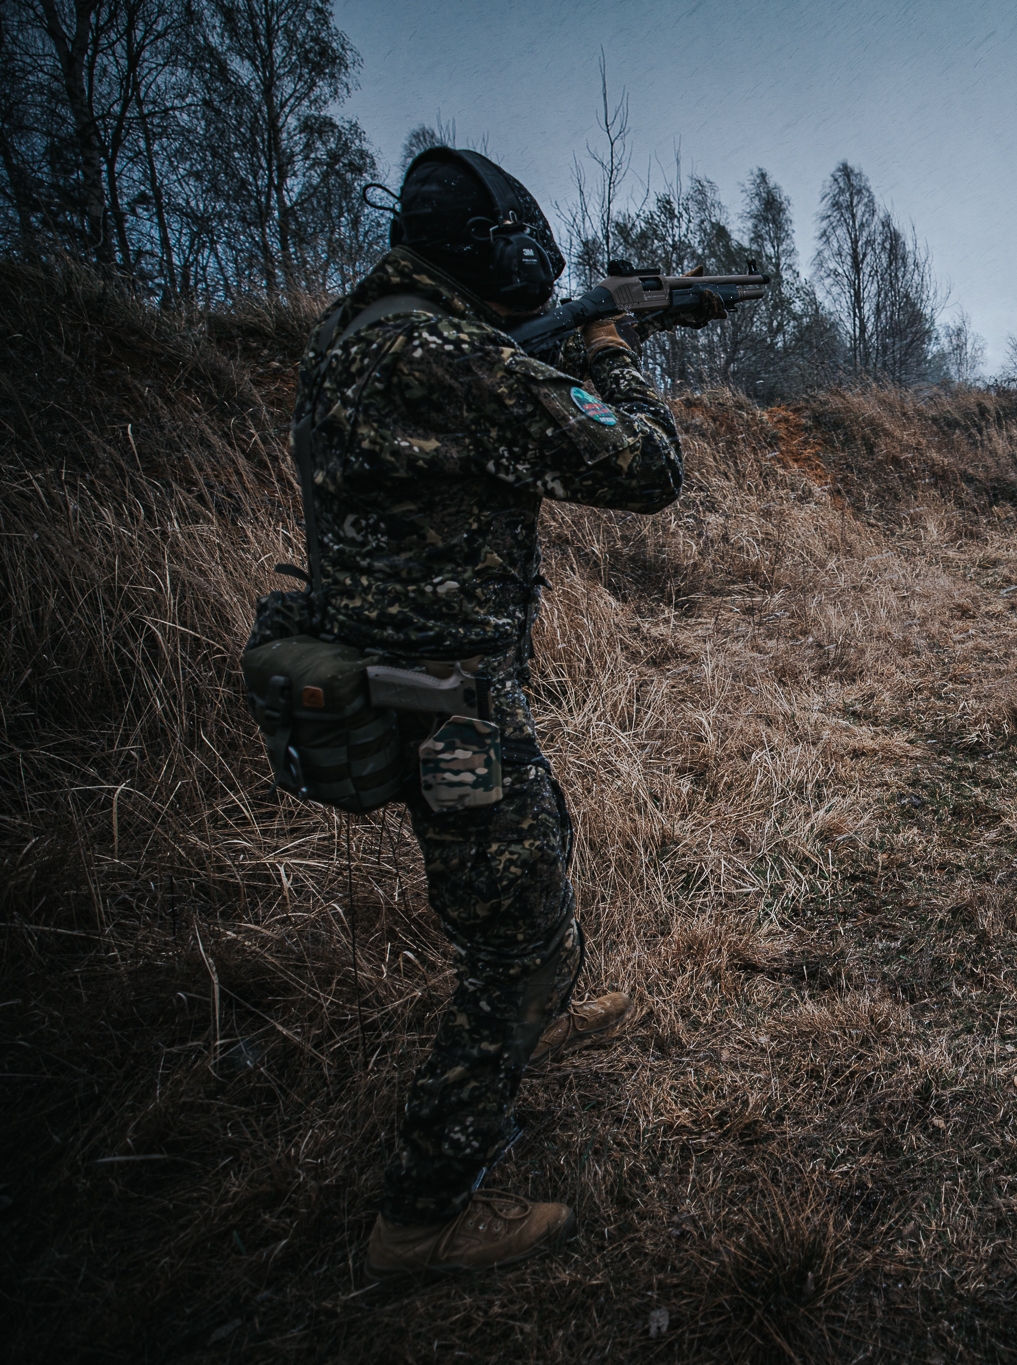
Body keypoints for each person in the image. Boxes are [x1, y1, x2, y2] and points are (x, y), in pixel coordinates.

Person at [288, 147, 719, 1278]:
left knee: (534, 853)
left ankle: (542, 1015)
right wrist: (610, 347)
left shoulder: (361, 330)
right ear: (499, 255)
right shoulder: (445, 356)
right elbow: (646, 466)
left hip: (403, 679)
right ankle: (422, 1216)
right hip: (446, 704)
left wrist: (569, 342)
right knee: (517, 943)